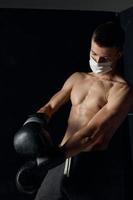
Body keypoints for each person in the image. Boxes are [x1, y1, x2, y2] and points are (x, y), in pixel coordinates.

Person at [34, 21, 133, 200]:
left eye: (105, 58)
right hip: (60, 158)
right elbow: (49, 107)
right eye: (93, 53)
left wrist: (55, 156)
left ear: (119, 55)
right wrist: (34, 122)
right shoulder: (77, 78)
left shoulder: (121, 90)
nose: (97, 61)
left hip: (90, 166)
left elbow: (93, 133)